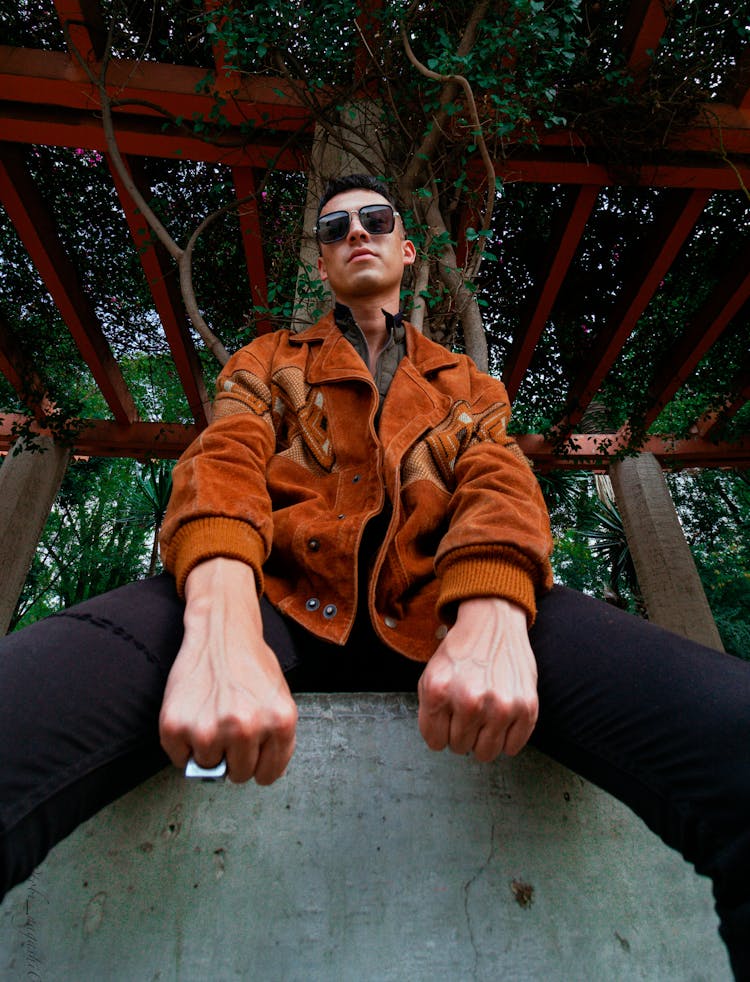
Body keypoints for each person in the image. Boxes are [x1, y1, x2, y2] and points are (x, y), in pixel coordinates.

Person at [0, 174, 748, 978]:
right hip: (276, 592)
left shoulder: (467, 381)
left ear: (404, 248)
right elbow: (225, 460)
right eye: (335, 228)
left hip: (441, 600)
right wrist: (221, 625)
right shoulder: (266, 359)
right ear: (322, 265)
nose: (356, 232)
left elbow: (498, 483)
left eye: (376, 220)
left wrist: (494, 616)